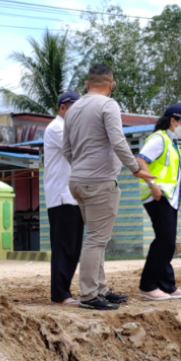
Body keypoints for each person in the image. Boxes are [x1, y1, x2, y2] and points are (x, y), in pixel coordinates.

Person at [62, 64, 156, 311]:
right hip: (100, 182)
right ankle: (90, 295)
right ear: (112, 83)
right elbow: (118, 141)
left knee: (97, 237)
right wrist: (135, 168)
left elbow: (66, 149)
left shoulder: (72, 109)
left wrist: (82, 167)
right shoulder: (108, 105)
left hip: (78, 181)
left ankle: (100, 289)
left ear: (87, 83)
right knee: (96, 239)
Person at [136, 104, 181, 301]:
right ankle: (148, 286)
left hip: (170, 198)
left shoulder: (172, 141)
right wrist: (152, 184)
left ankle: (167, 285)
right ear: (173, 120)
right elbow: (140, 160)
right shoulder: (159, 139)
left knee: (168, 243)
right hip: (158, 196)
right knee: (165, 241)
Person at [44, 90, 84, 307]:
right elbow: (79, 149)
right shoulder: (57, 128)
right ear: (63, 108)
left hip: (73, 195)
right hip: (61, 195)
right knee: (64, 246)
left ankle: (65, 290)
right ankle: (60, 293)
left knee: (74, 246)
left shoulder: (68, 128)